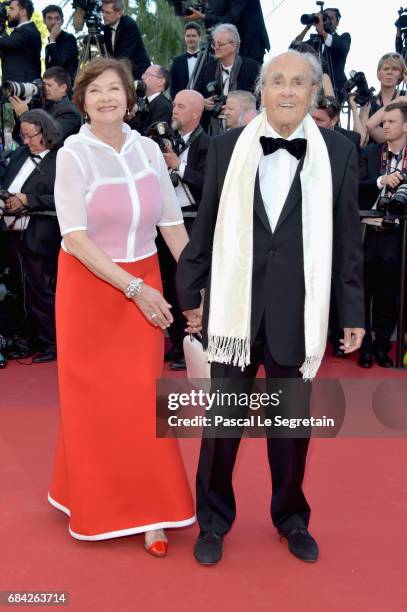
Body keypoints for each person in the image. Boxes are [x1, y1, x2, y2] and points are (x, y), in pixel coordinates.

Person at [176, 50, 364, 565]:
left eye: (297, 83)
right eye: (277, 81)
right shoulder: (225, 147)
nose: (286, 91)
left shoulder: (340, 152)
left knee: (291, 431)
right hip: (235, 313)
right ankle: (212, 521)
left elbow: (348, 241)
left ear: (313, 93)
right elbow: (207, 225)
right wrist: (189, 293)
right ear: (262, 89)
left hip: (296, 312)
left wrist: (352, 312)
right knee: (221, 428)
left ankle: (292, 518)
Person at [48, 57, 195, 555]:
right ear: (82, 101)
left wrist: (198, 286)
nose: (107, 98)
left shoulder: (149, 150)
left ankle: (153, 510)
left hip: (145, 281)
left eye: (115, 89)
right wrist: (134, 289)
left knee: (140, 398)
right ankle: (86, 495)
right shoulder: (73, 154)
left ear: (130, 97)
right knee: (91, 401)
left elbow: (172, 226)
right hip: (91, 289)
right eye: (96, 91)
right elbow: (75, 237)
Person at [0, 109, 62, 363]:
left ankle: (53, 343)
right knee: (19, 289)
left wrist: (28, 200)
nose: (26, 141)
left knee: (40, 290)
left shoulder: (61, 160)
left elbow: (65, 198)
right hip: (10, 233)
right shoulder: (20, 154)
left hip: (39, 235)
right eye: (23, 136)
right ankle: (28, 337)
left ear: (45, 132)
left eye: (30, 136)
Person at [159, 89, 210, 371]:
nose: (174, 110)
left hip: (193, 221)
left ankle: (195, 343)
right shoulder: (167, 140)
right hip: (166, 221)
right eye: (174, 105)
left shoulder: (210, 144)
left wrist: (181, 166)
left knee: (188, 284)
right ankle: (178, 343)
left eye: (180, 106)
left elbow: (211, 183)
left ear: (196, 113)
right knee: (167, 281)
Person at [358, 101, 407, 369]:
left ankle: (380, 348)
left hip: (397, 235)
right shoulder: (371, 152)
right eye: (383, 122)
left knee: (389, 293)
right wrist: (380, 181)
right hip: (369, 231)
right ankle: (365, 347)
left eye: (391, 122)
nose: (384, 126)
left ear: (406, 126)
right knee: (365, 293)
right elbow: (356, 185)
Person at [195, 24, 260, 134]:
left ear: (233, 46)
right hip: (212, 130)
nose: (215, 47)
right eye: (214, 44)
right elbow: (196, 94)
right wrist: (203, 103)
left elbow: (260, 100)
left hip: (244, 130)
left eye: (219, 44)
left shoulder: (253, 68)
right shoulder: (207, 69)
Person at [185, 0, 270, 65]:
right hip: (230, 45)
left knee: (247, 83)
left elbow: (231, 19)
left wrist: (204, 16)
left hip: (250, 45)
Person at [10, 67, 82, 142]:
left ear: (63, 88)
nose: (45, 89)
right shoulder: (43, 105)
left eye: (49, 85)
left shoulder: (70, 113)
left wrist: (25, 115)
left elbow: (50, 138)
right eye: (44, 85)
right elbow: (19, 136)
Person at [293, 7, 350, 103]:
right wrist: (308, 27)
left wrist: (323, 32)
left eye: (331, 18)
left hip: (335, 91)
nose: (326, 21)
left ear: (337, 22)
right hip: (313, 91)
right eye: (324, 18)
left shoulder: (343, 37)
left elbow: (342, 48)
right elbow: (293, 50)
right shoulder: (314, 40)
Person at [360, 53, 407, 145]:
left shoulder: (405, 97)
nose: (389, 72)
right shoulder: (369, 102)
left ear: (401, 74)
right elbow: (361, 141)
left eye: (395, 69)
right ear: (378, 73)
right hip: (374, 155)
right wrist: (354, 109)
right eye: (386, 69)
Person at [102, 0, 150, 79]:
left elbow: (124, 55)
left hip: (138, 74)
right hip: (121, 70)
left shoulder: (129, 26)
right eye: (103, 11)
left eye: (108, 13)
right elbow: (108, 54)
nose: (104, 15)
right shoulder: (107, 27)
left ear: (119, 14)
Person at [0, 0, 41, 82]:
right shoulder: (19, 33)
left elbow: (5, 43)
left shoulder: (28, 31)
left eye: (11, 9)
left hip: (24, 90)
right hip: (14, 88)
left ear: (23, 12)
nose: (7, 13)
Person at [129, 65, 173, 135]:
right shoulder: (141, 100)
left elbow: (157, 134)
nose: (142, 77)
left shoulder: (164, 106)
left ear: (161, 81)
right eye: (144, 74)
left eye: (148, 74)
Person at [42, 4, 79, 84]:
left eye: (57, 18)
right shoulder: (49, 45)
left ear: (62, 21)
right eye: (49, 18)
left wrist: (52, 40)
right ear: (44, 21)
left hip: (66, 90)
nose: (53, 22)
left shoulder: (69, 39)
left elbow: (59, 66)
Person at [170, 22, 202, 100]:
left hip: (204, 105)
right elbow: (173, 87)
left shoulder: (209, 59)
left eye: (194, 36)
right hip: (183, 103)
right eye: (188, 36)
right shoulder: (177, 62)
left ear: (200, 38)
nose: (190, 39)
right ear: (184, 38)